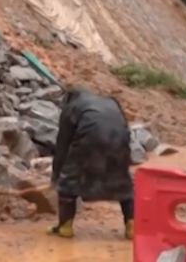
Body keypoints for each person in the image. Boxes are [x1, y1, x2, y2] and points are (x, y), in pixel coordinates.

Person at [49, 88, 135, 240]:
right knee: (122, 182)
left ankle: (65, 226)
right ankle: (132, 225)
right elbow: (124, 129)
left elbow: (62, 144)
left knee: (69, 182)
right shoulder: (111, 102)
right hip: (120, 141)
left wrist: (57, 175)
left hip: (90, 138)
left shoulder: (71, 107)